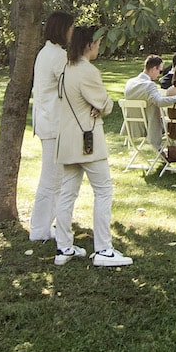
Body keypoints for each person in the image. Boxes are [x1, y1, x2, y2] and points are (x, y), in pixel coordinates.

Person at [47, 24, 132, 267]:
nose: (99, 46)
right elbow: (105, 102)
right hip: (87, 140)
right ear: (88, 44)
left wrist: (99, 104)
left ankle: (64, 247)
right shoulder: (87, 71)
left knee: (67, 194)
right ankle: (104, 249)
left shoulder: (65, 68)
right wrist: (103, 105)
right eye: (97, 42)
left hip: (67, 139)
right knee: (103, 190)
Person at [28, 11, 77, 247]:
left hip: (48, 122)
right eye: (71, 28)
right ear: (62, 29)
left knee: (55, 178)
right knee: (51, 179)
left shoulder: (46, 52)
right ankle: (39, 229)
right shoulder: (57, 55)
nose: (72, 32)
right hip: (53, 124)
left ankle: (47, 225)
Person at [121, 54, 173, 157]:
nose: (159, 74)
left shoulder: (130, 82)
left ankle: (169, 154)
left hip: (132, 123)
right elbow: (159, 102)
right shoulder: (149, 85)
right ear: (154, 69)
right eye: (160, 71)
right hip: (148, 126)